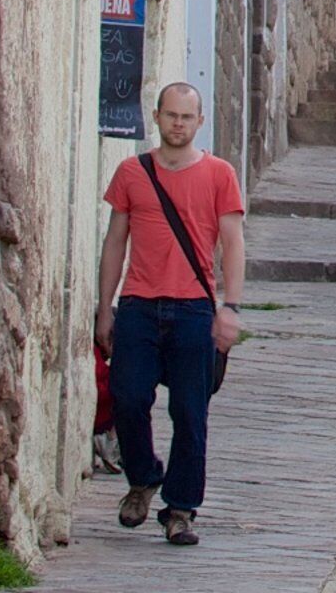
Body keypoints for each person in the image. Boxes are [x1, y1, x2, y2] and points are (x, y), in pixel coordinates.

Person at [95, 82, 245, 547]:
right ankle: (143, 479)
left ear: (199, 122)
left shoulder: (219, 174)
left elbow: (233, 242)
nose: (178, 124)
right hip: (139, 305)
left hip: (194, 310)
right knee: (128, 397)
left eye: (187, 117)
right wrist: (106, 308)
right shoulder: (131, 173)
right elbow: (115, 242)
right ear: (156, 117)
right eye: (171, 115)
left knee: (189, 412)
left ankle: (180, 508)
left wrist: (230, 308)